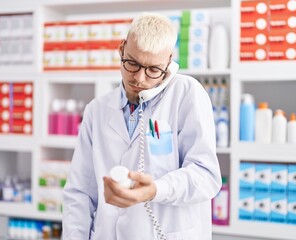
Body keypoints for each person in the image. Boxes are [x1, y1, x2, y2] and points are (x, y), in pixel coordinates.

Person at [63, 12, 222, 240]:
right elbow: (79, 194)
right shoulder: (96, 110)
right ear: (121, 50)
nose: (140, 78)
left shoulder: (187, 94)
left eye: (153, 70)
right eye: (132, 64)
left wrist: (156, 189)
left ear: (169, 62)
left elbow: (206, 175)